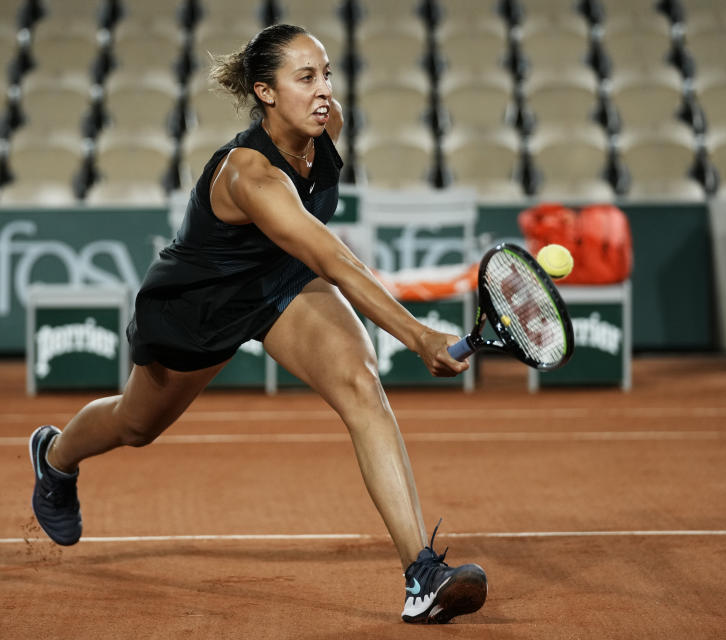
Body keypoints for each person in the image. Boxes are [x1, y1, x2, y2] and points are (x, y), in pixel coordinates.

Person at [29, 24, 487, 624]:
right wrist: (416, 333)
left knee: (361, 385)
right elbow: (332, 257)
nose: (324, 91)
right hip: (199, 308)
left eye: (326, 74)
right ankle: (56, 457)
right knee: (136, 425)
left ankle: (421, 575)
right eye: (306, 78)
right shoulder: (250, 174)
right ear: (265, 92)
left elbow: (311, 258)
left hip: (280, 286)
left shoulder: (327, 128)